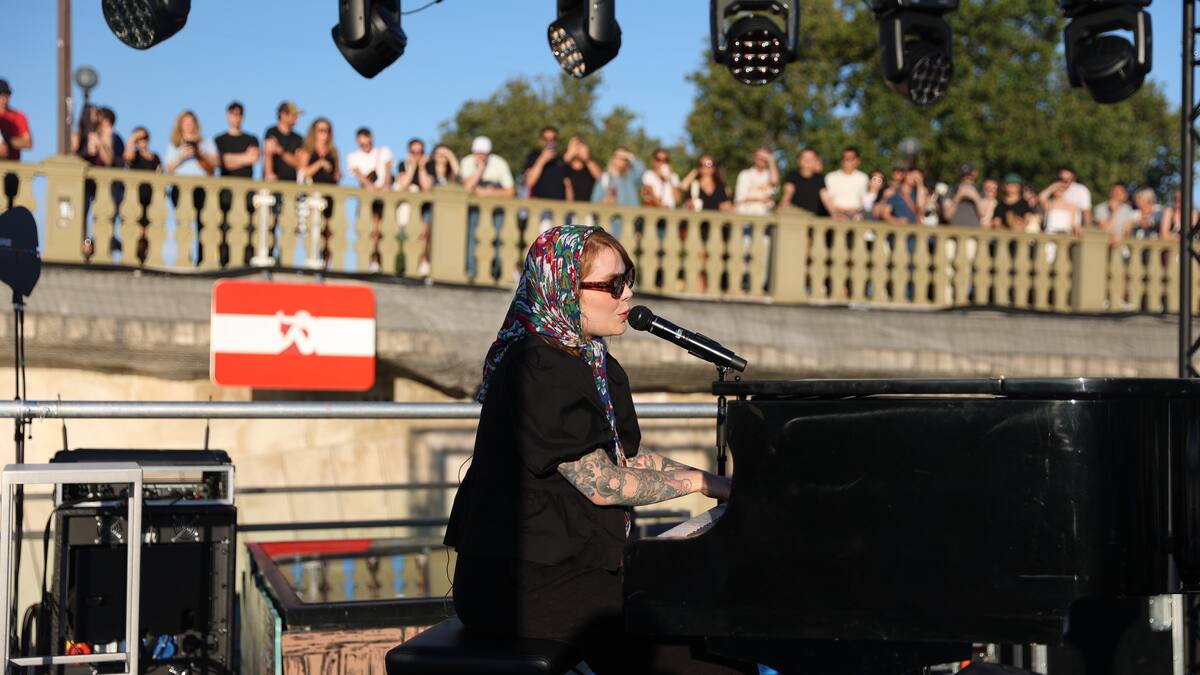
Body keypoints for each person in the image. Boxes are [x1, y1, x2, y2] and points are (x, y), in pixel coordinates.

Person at [445, 225, 751, 674]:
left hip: (574, 563)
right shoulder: (537, 363)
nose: (628, 294)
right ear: (565, 289)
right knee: (680, 634)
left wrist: (723, 486)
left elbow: (627, 463)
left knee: (697, 616)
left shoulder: (593, 359)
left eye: (629, 279)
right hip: (519, 581)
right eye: (612, 285)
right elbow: (604, 485)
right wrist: (702, 483)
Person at [461, 136, 515, 279]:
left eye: (484, 154)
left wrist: (487, 193)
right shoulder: (466, 162)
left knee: (498, 236)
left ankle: (495, 270)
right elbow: (467, 188)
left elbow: (510, 191)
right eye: (478, 153)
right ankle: (471, 269)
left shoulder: (499, 163)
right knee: (472, 236)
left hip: (496, 209)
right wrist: (480, 170)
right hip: (474, 210)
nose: (481, 157)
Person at [214, 101, 260, 237]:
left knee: (248, 228)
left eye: (239, 115)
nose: (236, 118)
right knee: (225, 227)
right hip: (225, 191)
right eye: (233, 114)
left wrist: (228, 159)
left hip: (247, 191)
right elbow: (218, 162)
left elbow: (254, 158)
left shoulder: (251, 138)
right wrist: (244, 158)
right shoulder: (219, 140)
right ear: (227, 116)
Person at [523, 125, 570, 200]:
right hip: (538, 205)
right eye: (545, 139)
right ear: (540, 140)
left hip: (559, 207)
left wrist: (569, 207)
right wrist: (542, 160)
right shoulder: (533, 156)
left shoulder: (560, 160)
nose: (549, 142)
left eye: (553, 139)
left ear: (556, 141)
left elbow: (568, 185)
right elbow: (529, 182)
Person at [779, 148, 829, 216]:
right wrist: (783, 203)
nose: (807, 161)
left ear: (816, 161)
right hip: (796, 217)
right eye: (804, 158)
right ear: (798, 161)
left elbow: (825, 197)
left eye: (811, 159)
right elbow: (788, 192)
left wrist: (835, 212)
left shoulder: (820, 178)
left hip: (814, 218)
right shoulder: (792, 175)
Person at [824, 147, 870, 220]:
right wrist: (837, 212)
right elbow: (827, 198)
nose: (847, 160)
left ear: (858, 161)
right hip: (836, 215)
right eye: (845, 158)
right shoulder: (830, 177)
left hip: (857, 215)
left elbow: (863, 199)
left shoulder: (863, 177)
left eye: (851, 158)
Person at [263, 101, 304, 183]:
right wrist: (269, 175)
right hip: (273, 183)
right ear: (282, 114)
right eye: (293, 114)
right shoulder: (271, 132)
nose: (296, 118)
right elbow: (268, 153)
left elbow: (299, 162)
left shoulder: (298, 138)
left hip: (292, 183)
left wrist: (280, 150)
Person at [733, 147, 778, 215]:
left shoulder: (769, 175)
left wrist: (772, 162)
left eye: (765, 157)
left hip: (765, 214)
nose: (761, 159)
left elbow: (774, 183)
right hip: (745, 213)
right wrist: (760, 199)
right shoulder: (745, 174)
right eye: (759, 156)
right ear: (754, 157)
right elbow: (740, 198)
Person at [0, 79, 32, 161]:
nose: (4, 99)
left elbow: (28, 143)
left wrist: (6, 140)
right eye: (1, 95)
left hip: (12, 167)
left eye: (6, 95)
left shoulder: (18, 116)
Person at [563, 136, 600, 203]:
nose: (577, 148)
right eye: (575, 146)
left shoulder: (589, 165)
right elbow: (557, 174)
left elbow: (600, 178)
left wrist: (587, 159)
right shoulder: (564, 166)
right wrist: (568, 155)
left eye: (580, 145)